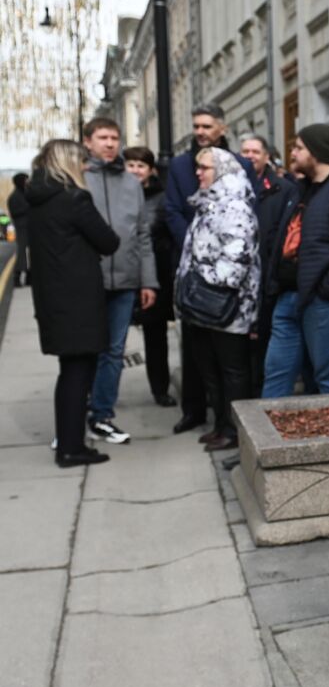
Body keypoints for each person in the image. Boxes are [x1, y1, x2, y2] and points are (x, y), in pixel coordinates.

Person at [25, 139, 121, 467]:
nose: (86, 167)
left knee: (69, 373)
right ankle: (71, 448)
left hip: (53, 299)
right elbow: (108, 241)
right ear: (68, 163)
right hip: (78, 300)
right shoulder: (75, 198)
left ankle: (68, 441)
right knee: (79, 374)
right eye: (82, 162)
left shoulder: (36, 199)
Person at [260, 124, 329, 397]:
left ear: (317, 153)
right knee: (276, 375)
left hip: (327, 300)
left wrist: (326, 290)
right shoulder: (298, 190)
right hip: (289, 296)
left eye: (299, 148)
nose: (293, 152)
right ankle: (271, 439)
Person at [167, 103, 257, 434]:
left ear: (221, 127)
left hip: (222, 298)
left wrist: (202, 278)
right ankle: (216, 423)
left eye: (208, 126)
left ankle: (233, 429)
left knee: (230, 368)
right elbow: (174, 214)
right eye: (197, 126)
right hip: (201, 292)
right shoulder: (198, 188)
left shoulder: (233, 198)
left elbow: (236, 255)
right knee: (203, 364)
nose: (197, 174)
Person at [83, 117, 157, 445]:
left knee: (114, 352)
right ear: (88, 142)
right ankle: (76, 412)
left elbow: (142, 234)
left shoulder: (131, 183)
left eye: (115, 137)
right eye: (103, 137)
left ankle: (101, 416)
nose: (110, 143)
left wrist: (148, 281)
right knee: (85, 351)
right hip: (87, 282)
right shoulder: (78, 180)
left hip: (126, 281)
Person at [240, 133, 300, 396]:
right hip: (240, 280)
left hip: (267, 279)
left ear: (266, 156)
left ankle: (258, 395)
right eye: (245, 151)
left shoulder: (282, 189)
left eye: (255, 151)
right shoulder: (234, 186)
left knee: (265, 344)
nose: (250, 156)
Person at [122, 147, 177, 407]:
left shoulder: (163, 198)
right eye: (130, 164)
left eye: (140, 166)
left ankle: (160, 389)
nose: (135, 170)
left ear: (150, 170)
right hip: (121, 274)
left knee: (155, 338)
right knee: (111, 341)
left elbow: (166, 236)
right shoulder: (116, 195)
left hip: (154, 276)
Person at [6, 173, 30, 287]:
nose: (27, 182)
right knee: (21, 255)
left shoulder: (26, 194)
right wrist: (27, 208)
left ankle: (29, 277)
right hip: (21, 229)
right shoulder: (15, 196)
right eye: (25, 180)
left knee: (29, 255)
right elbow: (15, 213)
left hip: (28, 228)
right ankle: (17, 278)